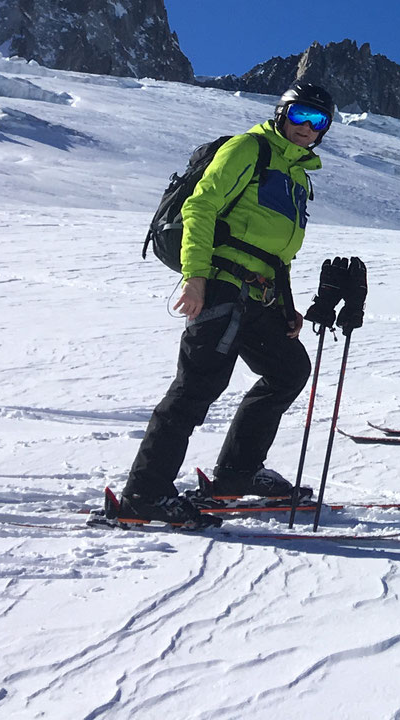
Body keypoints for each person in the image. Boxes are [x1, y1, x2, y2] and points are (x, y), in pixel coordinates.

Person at [115, 81, 335, 526]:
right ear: (281, 113)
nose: (307, 128)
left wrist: (286, 305)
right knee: (196, 388)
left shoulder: (296, 175)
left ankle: (237, 473)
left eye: (318, 121)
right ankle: (145, 495)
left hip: (261, 295)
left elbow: (277, 251)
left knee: (288, 369)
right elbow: (201, 207)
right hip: (221, 287)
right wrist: (194, 278)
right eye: (299, 116)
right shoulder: (248, 149)